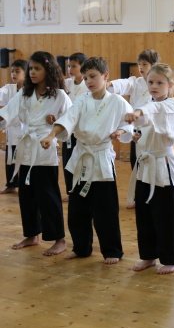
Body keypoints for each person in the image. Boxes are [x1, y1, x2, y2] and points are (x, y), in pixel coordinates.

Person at [40, 57, 133, 265]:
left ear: (105, 76)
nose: (88, 81)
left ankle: (112, 250)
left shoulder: (117, 101)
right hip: (82, 157)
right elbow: (67, 119)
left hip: (101, 158)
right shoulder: (82, 100)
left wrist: (121, 131)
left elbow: (130, 123)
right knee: (77, 209)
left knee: (105, 210)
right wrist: (51, 135)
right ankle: (81, 248)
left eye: (93, 76)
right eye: (86, 77)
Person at [0, 51, 71, 255]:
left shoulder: (59, 95)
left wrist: (55, 124)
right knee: (27, 195)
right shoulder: (24, 94)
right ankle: (32, 234)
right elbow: (8, 112)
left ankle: (59, 239)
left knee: (48, 196)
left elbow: (70, 119)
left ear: (48, 70)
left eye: (37, 68)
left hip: (45, 150)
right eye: (30, 68)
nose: (32, 72)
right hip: (26, 149)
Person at [125, 64, 174, 274]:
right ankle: (148, 255)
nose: (154, 86)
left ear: (170, 85)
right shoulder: (147, 103)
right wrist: (136, 135)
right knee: (144, 213)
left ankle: (171, 259)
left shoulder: (171, 105)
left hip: (163, 166)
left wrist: (138, 111)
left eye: (159, 82)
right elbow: (143, 125)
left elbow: (153, 111)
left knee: (166, 215)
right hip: (145, 166)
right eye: (150, 82)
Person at [108, 49, 160, 208]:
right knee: (135, 162)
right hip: (136, 130)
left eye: (145, 64)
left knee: (151, 164)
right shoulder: (136, 82)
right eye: (139, 64)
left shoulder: (159, 84)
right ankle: (139, 197)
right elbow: (123, 84)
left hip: (151, 132)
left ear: (154, 65)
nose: (141, 67)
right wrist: (109, 85)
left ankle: (153, 196)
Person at [62, 52, 88, 198]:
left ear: (82, 67)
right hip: (68, 130)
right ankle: (70, 191)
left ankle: (80, 189)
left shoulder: (88, 85)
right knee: (67, 161)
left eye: (73, 66)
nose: (70, 69)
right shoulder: (66, 84)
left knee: (80, 161)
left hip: (82, 130)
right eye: (68, 66)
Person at [0, 59, 28, 193]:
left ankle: (24, 185)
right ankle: (11, 185)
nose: (13, 74)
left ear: (26, 73)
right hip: (12, 130)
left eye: (17, 71)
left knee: (24, 158)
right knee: (10, 158)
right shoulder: (8, 88)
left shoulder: (31, 90)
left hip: (25, 130)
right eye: (12, 71)